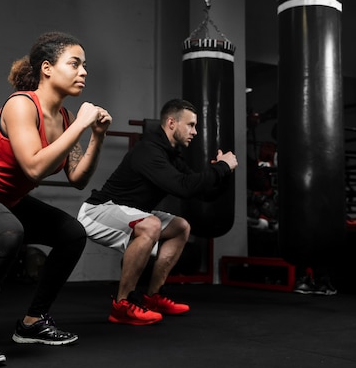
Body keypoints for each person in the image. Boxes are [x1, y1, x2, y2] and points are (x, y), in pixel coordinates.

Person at [0, 31, 112, 367]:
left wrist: (96, 137)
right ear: (47, 68)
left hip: (3, 201)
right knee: (8, 230)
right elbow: (33, 166)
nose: (83, 71)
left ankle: (33, 322)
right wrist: (82, 125)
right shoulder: (21, 105)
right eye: (74, 63)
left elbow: (77, 179)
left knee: (71, 233)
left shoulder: (67, 120)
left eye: (85, 65)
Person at [77, 98, 238, 325]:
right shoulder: (149, 150)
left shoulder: (171, 155)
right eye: (191, 125)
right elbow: (182, 187)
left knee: (181, 227)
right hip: (98, 212)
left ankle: (152, 297)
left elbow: (200, 192)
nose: (195, 132)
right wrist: (220, 168)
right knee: (151, 223)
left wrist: (223, 174)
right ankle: (121, 305)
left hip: (132, 213)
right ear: (172, 123)